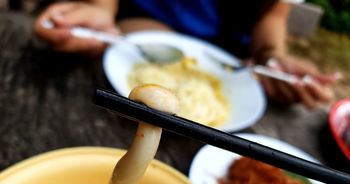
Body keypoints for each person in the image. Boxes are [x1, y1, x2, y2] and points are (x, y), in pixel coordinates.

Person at [34, 0, 341, 109]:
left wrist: (271, 56)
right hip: (141, 27)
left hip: (227, 66)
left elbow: (274, 13)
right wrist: (101, 10)